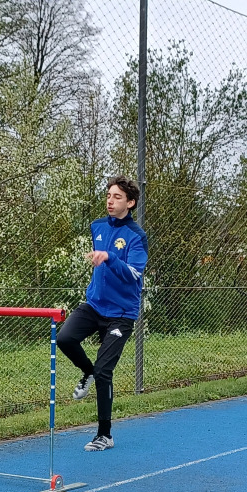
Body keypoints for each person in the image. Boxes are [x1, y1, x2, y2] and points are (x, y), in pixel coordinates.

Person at [57, 175, 148, 451]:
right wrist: (102, 259)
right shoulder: (96, 226)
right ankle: (88, 372)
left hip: (121, 313)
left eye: (117, 197)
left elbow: (133, 274)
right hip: (95, 305)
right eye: (108, 195)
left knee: (105, 370)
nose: (110, 201)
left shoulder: (136, 236)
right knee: (64, 338)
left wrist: (109, 257)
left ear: (130, 203)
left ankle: (104, 435)